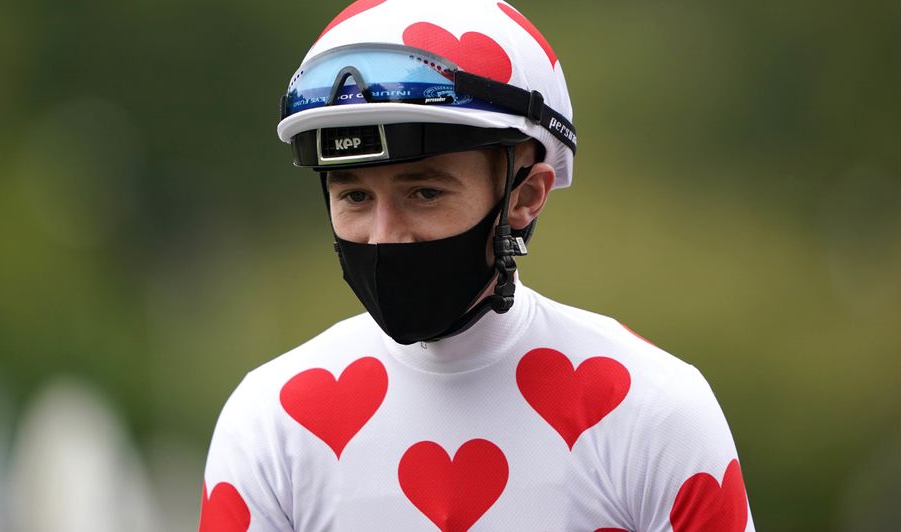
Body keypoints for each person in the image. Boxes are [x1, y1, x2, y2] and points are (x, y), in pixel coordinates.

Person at [199, 1, 754, 530]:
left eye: (424, 193)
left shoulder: (655, 408)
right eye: (355, 198)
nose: (384, 236)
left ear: (525, 196)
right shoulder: (269, 420)